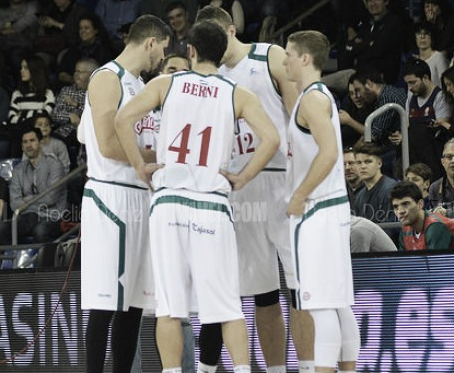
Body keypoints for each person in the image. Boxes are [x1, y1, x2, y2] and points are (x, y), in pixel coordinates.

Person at [113, 20, 278, 373]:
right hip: (212, 205)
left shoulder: (166, 83)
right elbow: (272, 139)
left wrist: (141, 167)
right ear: (222, 54)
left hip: (169, 202)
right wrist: (242, 178)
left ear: (190, 51)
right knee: (226, 306)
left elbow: (122, 119)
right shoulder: (237, 92)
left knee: (171, 307)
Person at [195, 6, 308, 373]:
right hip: (238, 188)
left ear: (231, 29)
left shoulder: (268, 55)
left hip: (280, 178)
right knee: (262, 292)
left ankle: (308, 367)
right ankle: (275, 369)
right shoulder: (207, 79)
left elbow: (298, 116)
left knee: (300, 287)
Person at [77, 14, 170, 373]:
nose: (161, 57)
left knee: (132, 305)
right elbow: (108, 144)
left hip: (140, 195)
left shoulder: (139, 85)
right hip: (111, 198)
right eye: (162, 49)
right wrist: (161, 156)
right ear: (150, 42)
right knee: (105, 303)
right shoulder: (106, 78)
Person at [283, 30, 359, 373]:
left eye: (288, 54)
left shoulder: (313, 99)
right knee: (339, 303)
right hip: (330, 208)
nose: (284, 60)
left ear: (304, 58)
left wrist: (299, 194)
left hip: (318, 208)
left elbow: (329, 153)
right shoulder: (315, 95)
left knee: (322, 304)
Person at [0, 127, 66, 265]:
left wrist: (26, 200)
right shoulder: (18, 170)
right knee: (0, 228)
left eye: (32, 141)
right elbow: (14, 204)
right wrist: (33, 202)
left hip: (52, 216)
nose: (29, 145)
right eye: (25, 142)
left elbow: (51, 198)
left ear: (40, 143)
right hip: (28, 216)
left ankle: (45, 271)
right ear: (21, 146)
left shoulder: (55, 165)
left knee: (40, 230)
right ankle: (11, 268)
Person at [403, 58, 453, 181]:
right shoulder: (411, 97)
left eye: (413, 82)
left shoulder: (440, 96)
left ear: (425, 78)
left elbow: (441, 126)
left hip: (433, 148)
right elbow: (406, 125)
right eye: (407, 83)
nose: (409, 87)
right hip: (414, 147)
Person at [0, 56, 56, 158]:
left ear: (35, 70)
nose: (21, 71)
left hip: (38, 134)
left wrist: (23, 116)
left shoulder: (47, 93)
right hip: (18, 133)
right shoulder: (17, 94)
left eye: (25, 68)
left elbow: (44, 115)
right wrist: (32, 116)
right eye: (21, 68)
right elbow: (11, 117)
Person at [391, 180, 454, 250]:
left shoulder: (435, 226)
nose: (400, 211)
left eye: (405, 204)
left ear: (420, 204)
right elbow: (404, 260)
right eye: (396, 207)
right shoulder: (405, 230)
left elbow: (435, 260)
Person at [56, 14, 115, 86]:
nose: (82, 31)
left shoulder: (105, 50)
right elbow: (61, 72)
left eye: (86, 28)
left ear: (96, 30)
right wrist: (73, 80)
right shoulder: (74, 49)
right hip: (73, 87)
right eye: (80, 28)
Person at [52, 58, 98, 148]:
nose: (76, 75)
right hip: (64, 133)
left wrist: (76, 105)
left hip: (90, 135)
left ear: (92, 74)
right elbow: (55, 114)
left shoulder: (98, 92)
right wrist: (69, 116)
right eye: (75, 71)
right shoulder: (66, 91)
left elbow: (95, 116)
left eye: (80, 72)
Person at [353, 142, 398, 224]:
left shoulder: (391, 189)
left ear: (379, 163)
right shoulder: (359, 196)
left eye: (368, 162)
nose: (363, 166)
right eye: (359, 163)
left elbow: (391, 229)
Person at [429, 138, 454, 218]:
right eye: (449, 157)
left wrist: (447, 212)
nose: (453, 160)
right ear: (442, 162)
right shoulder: (435, 188)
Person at [411, 22, 449, 86]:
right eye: (419, 34)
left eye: (426, 34)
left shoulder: (438, 57)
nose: (422, 37)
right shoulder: (413, 60)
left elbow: (444, 85)